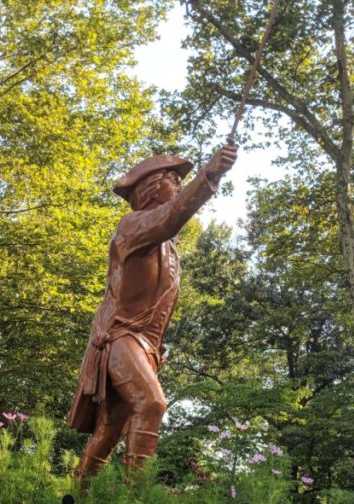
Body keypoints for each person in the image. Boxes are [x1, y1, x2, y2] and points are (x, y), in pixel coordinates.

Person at [67, 143, 238, 477]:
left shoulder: (167, 245)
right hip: (121, 337)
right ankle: (138, 499)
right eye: (172, 180)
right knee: (152, 403)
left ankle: (78, 495)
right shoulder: (132, 227)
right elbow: (170, 218)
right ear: (150, 189)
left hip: (146, 347)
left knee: (112, 428)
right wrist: (208, 174)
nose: (177, 186)